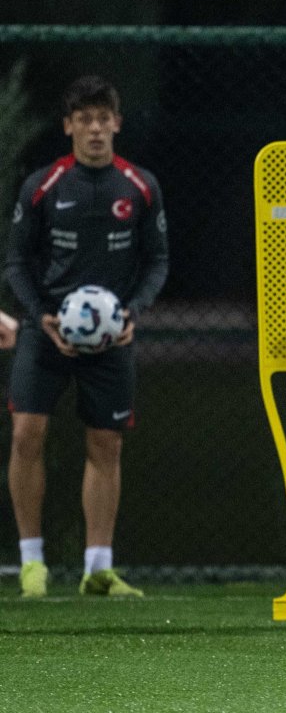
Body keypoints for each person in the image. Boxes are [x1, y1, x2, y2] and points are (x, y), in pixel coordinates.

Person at [6, 76, 169, 598]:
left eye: (104, 118)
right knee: (27, 434)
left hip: (112, 340)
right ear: (69, 127)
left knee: (106, 444)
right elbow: (16, 261)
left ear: (117, 124)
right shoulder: (42, 186)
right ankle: (32, 563)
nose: (95, 128)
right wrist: (42, 316)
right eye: (85, 119)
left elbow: (158, 260)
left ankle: (98, 567)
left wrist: (132, 314)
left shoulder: (140, 186)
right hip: (46, 332)